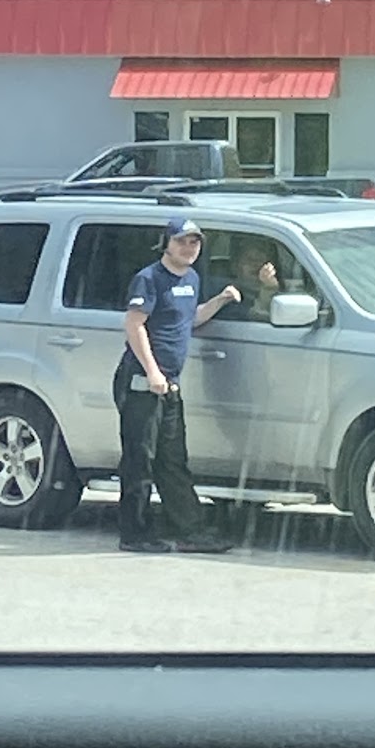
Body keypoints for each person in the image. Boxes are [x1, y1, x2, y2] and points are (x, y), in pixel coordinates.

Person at [113, 216, 241, 554]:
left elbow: (190, 318)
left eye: (194, 242)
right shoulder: (149, 279)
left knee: (173, 461)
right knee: (140, 460)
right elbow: (134, 325)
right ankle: (135, 534)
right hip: (142, 382)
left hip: (169, 385)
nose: (188, 247)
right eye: (181, 241)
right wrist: (152, 372)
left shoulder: (192, 278)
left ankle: (191, 531)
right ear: (166, 243)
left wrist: (221, 300)